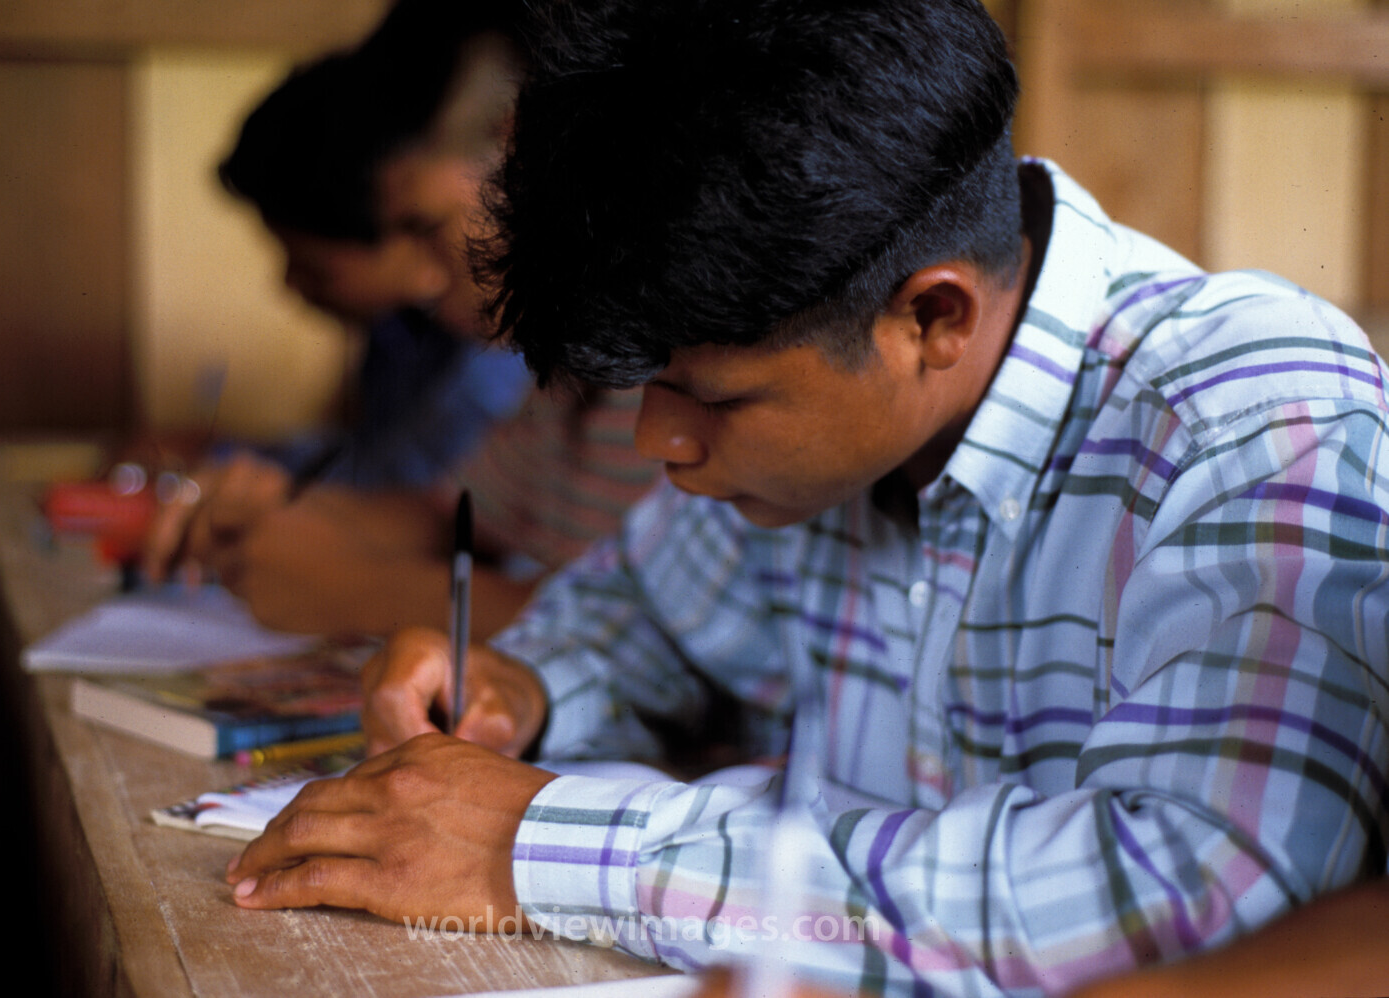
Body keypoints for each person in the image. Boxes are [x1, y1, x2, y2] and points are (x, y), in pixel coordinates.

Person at [224, 1, 1389, 995]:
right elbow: (642, 620)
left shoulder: (1251, 420)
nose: (659, 441)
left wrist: (541, 842)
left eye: (706, 396)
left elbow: (1192, 894)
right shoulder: (809, 410)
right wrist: (523, 690)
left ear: (931, 318)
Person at [144, 0, 658, 639]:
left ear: (522, 143)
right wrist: (273, 511)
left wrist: (364, 592)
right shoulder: (563, 371)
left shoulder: (681, 372)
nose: (418, 281)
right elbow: (450, 515)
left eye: (424, 229)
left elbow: (672, 641)